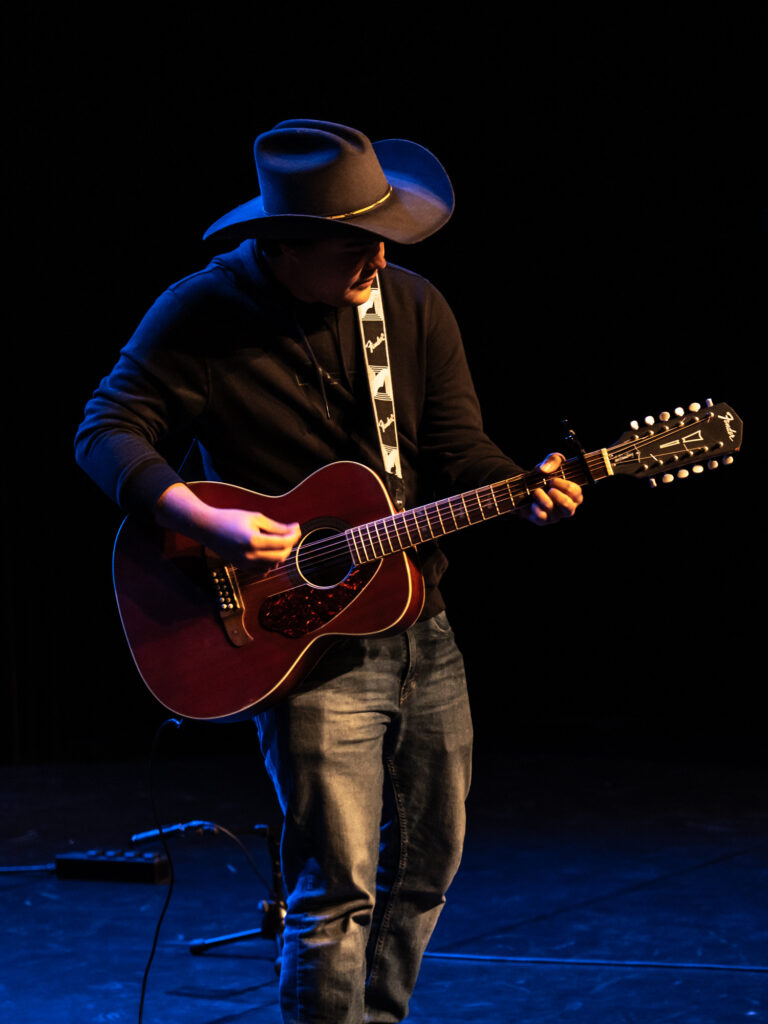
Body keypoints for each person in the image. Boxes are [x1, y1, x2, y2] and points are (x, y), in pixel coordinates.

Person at [75, 119, 583, 1023]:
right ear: (282, 246)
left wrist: (523, 488)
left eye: (383, 240)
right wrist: (199, 518)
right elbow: (105, 428)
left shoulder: (413, 307)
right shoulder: (204, 312)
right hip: (292, 638)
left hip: (419, 621)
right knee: (336, 887)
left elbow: (458, 448)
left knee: (428, 862)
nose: (379, 262)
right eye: (354, 247)